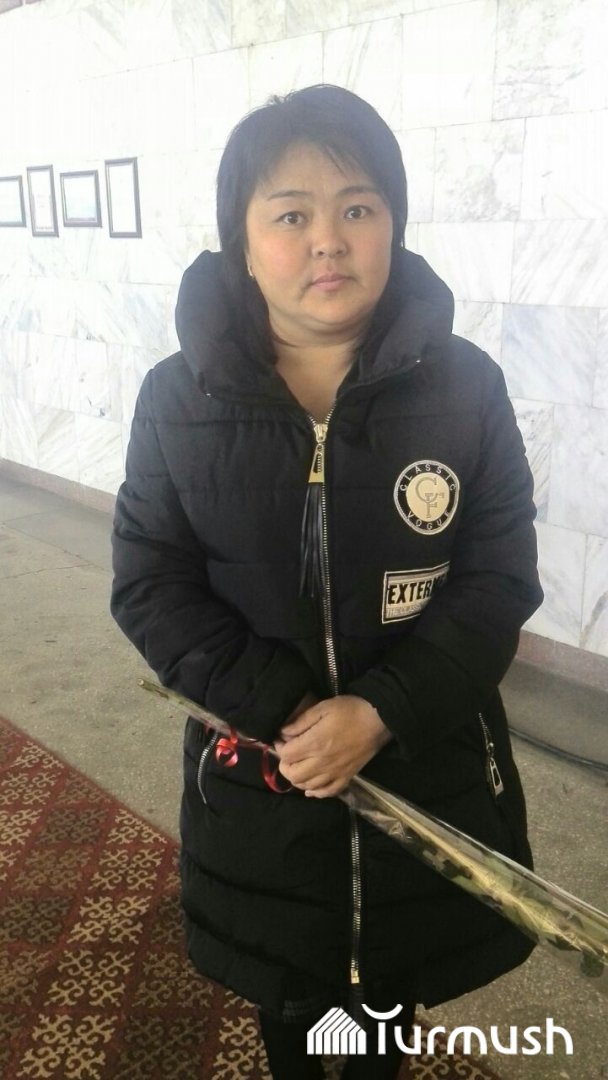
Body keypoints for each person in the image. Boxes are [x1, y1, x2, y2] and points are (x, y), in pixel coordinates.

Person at [111, 85, 543, 1079]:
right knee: (292, 990)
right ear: (240, 239)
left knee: (389, 996)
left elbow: (497, 578)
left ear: (393, 220)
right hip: (262, 780)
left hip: (426, 764)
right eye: (290, 214)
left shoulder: (466, 387)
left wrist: (382, 712)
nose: (328, 241)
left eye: (357, 207)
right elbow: (149, 583)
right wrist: (295, 717)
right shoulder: (176, 399)